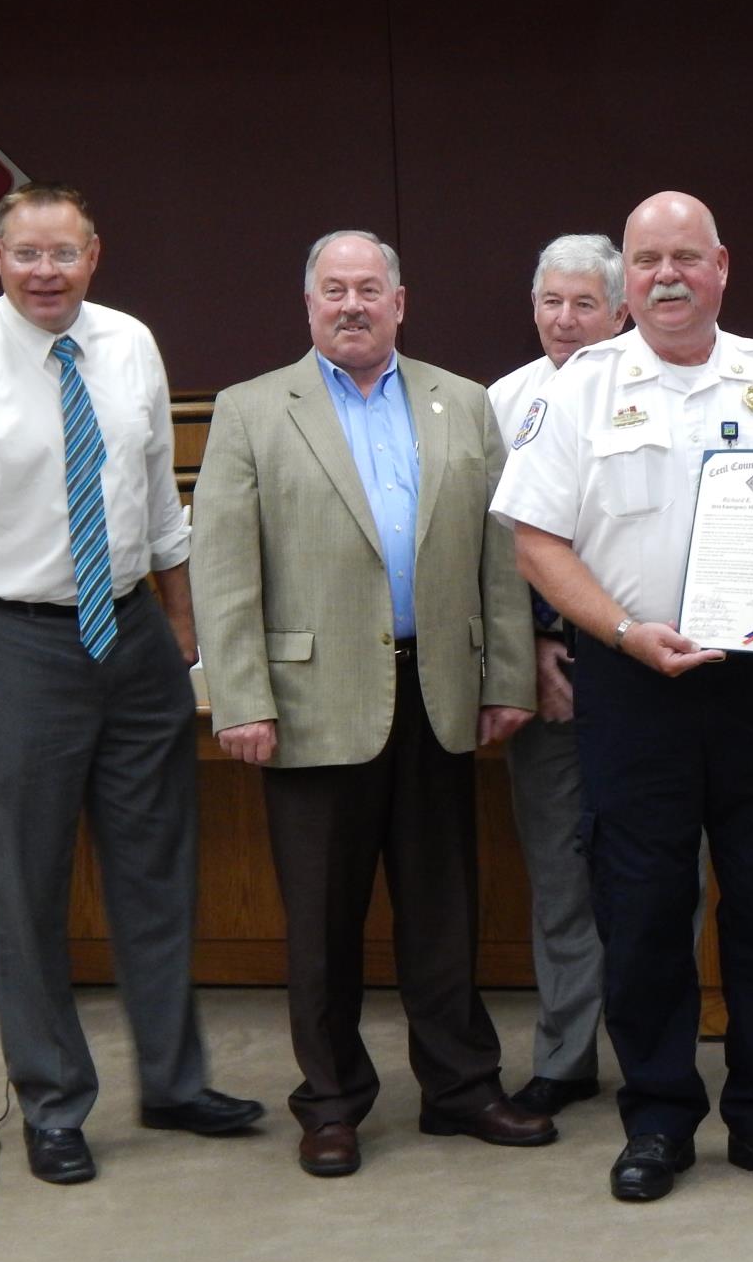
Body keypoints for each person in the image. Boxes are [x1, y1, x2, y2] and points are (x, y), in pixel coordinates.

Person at [491, 191, 753, 1202]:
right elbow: (536, 539)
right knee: (643, 913)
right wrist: (620, 631)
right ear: (626, 276)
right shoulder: (578, 392)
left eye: (686, 257)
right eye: (647, 259)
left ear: (722, 265)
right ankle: (659, 1119)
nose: (667, 276)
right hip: (634, 685)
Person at [0, 182, 263, 1186]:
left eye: (64, 254)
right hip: (12, 647)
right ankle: (55, 1103)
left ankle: (176, 1082)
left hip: (132, 635)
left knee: (158, 867)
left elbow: (157, 502)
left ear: (94, 254)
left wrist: (186, 632)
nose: (46, 273)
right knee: (26, 884)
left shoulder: (130, 345)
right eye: (27, 254)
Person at [191, 229, 549, 1178]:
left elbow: (500, 559)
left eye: (369, 289)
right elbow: (224, 569)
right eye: (333, 290)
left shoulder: (463, 405)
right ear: (308, 305)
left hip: (439, 693)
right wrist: (240, 699)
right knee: (320, 924)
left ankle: (462, 1088)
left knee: (444, 910)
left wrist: (506, 676)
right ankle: (333, 1102)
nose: (352, 304)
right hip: (308, 704)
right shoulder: (252, 409)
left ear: (401, 301)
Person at [486, 233, 629, 1120]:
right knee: (560, 873)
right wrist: (527, 653)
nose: (565, 321)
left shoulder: (659, 387)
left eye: (584, 304)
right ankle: (567, 1057)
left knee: (659, 872)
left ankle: (656, 1053)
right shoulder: (502, 401)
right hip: (552, 673)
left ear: (618, 312)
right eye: (551, 303)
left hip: (654, 671)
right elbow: (489, 549)